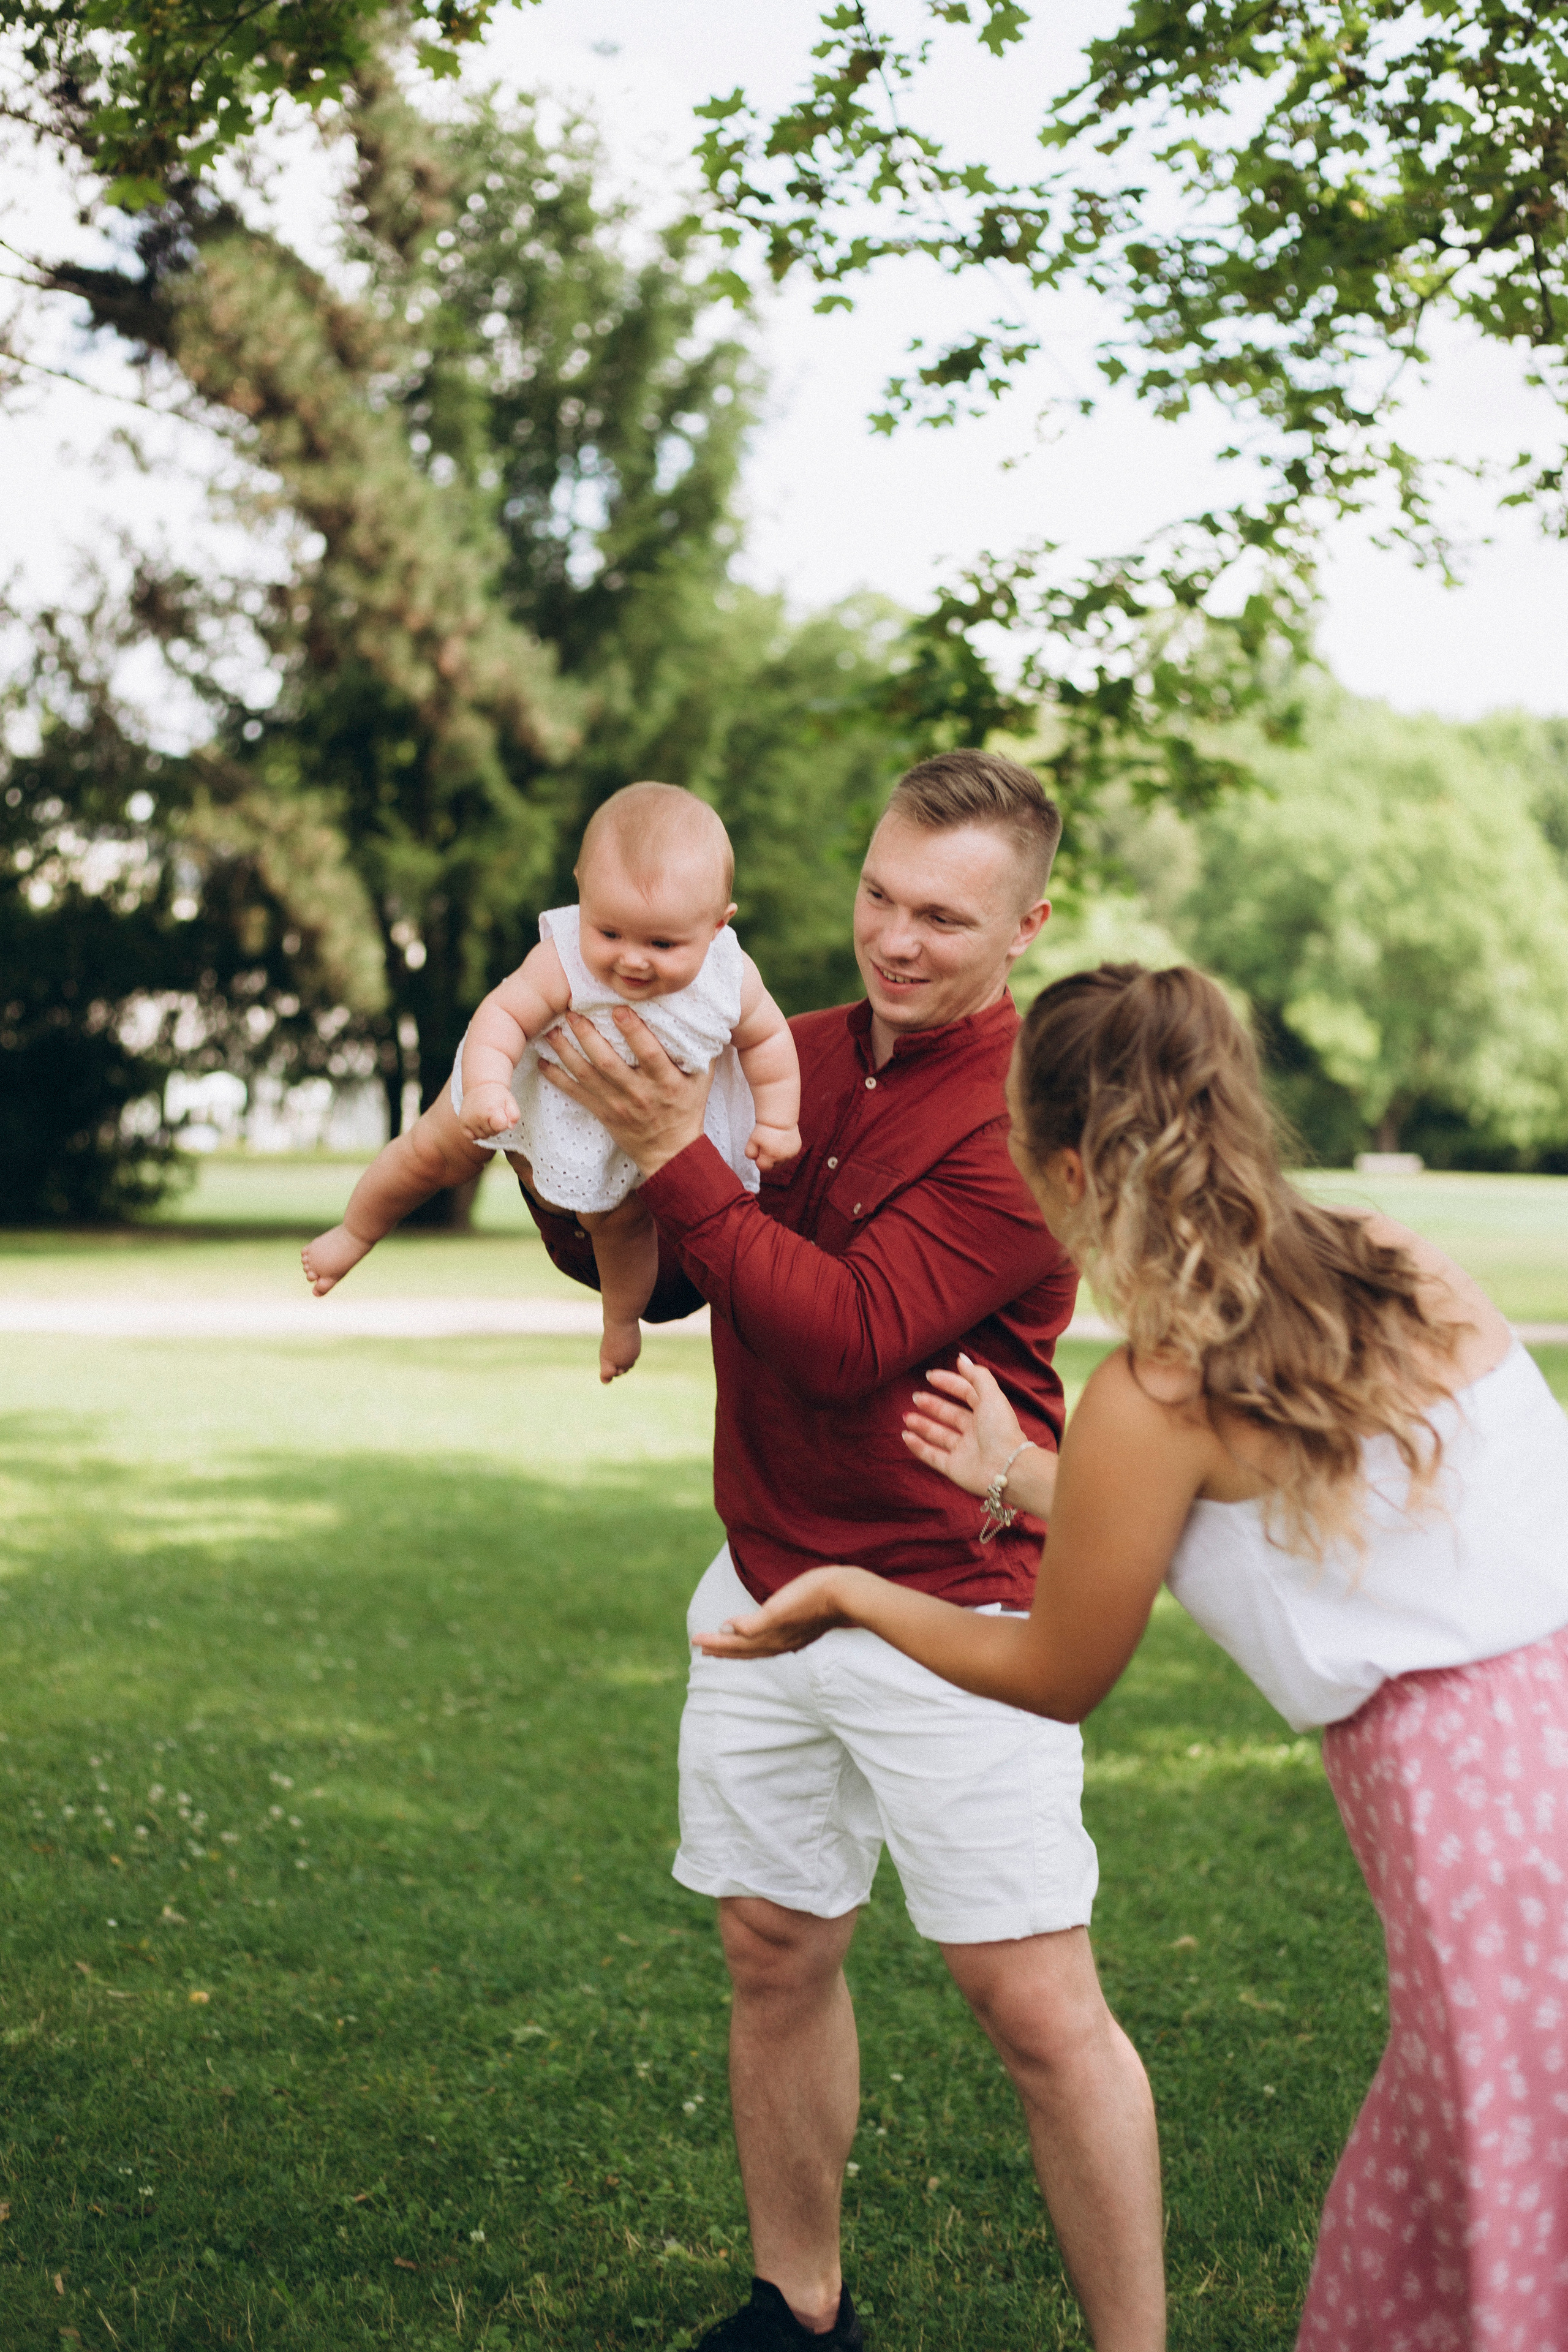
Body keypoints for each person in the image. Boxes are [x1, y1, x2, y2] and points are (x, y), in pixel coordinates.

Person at [696, 960, 1568, 2352]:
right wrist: (1021, 1473)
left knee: (1506, 2207)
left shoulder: (1154, 1387)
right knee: (1434, 2202)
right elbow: (1292, 1516)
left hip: (1489, 1843)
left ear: (1057, 1165)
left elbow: (1054, 1669)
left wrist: (854, 1595)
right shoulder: (1386, 1260)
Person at [522, 755, 1165, 2352]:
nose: (894, 937)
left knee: (1035, 2010)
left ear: (1030, 924)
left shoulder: (1041, 1127)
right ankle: (797, 2311)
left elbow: (849, 1337)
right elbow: (673, 1280)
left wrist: (673, 1143)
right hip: (763, 1587)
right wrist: (567, 1137)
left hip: (958, 1606)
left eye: (943, 915)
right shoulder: (782, 1055)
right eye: (880, 893)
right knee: (773, 1947)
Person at [301, 783, 801, 1381]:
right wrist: (486, 1087)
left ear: (718, 926)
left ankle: (619, 1322)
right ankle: (356, 1231)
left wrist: (776, 1121)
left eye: (662, 944)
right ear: (582, 896)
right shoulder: (563, 956)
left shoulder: (731, 977)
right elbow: (504, 1014)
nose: (631, 961)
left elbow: (768, 1043)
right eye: (609, 933)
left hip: (626, 1137)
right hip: (523, 1084)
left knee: (619, 1226)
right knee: (429, 1152)